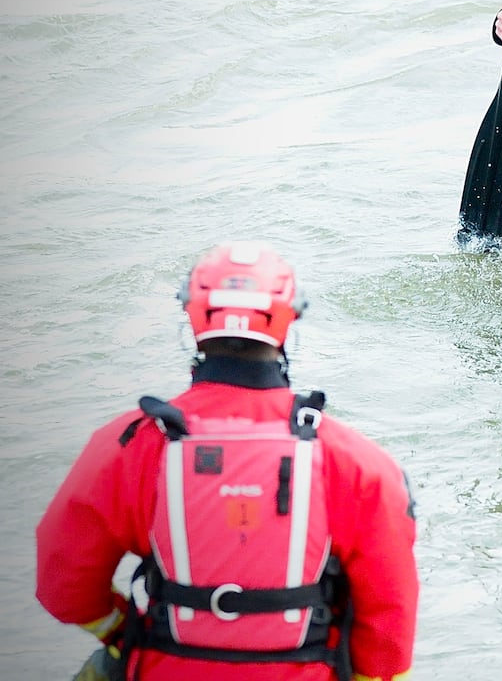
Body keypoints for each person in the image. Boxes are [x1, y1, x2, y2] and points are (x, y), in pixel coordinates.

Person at [35, 242, 419, 681]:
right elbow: (392, 620)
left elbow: (62, 584)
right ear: (288, 322)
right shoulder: (354, 460)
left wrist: (122, 631)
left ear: (193, 319)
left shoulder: (130, 444)